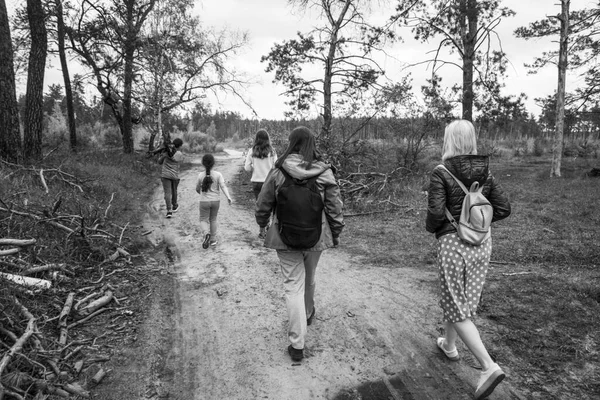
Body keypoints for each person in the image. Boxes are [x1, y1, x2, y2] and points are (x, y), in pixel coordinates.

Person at [426, 119, 511, 400]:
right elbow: (503, 208)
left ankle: (488, 366)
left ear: (449, 140)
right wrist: (477, 226)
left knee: (454, 302)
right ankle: (449, 346)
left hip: (453, 245)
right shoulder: (486, 173)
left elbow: (436, 214)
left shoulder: (441, 172)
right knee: (461, 300)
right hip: (482, 244)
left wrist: (444, 228)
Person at [255, 126, 344, 363]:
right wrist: (336, 232)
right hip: (315, 236)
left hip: (284, 236)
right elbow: (335, 207)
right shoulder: (324, 172)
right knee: (310, 276)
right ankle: (307, 313)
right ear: (311, 144)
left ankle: (297, 344)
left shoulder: (278, 170)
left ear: (291, 143)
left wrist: (262, 224)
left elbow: (263, 203)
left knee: (293, 285)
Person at [195, 153, 233, 249]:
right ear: (213, 163)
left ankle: (206, 233)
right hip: (216, 201)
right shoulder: (218, 174)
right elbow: (223, 186)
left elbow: (197, 189)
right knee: (213, 219)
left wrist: (202, 194)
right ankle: (213, 240)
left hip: (204, 201)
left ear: (203, 163)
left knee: (203, 219)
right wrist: (228, 197)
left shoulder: (200, 175)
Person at [244, 129, 277, 201]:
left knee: (259, 205)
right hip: (269, 181)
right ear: (268, 139)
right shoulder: (272, 151)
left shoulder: (252, 150)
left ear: (256, 139)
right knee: (269, 204)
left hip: (256, 181)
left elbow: (247, 168)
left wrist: (253, 168)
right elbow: (276, 167)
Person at [159, 138, 184, 218]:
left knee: (167, 193)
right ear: (180, 146)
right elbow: (180, 161)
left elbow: (159, 162)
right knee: (174, 191)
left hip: (165, 175)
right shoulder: (179, 153)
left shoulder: (166, 153)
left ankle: (169, 211)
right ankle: (175, 205)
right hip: (175, 176)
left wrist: (164, 156)